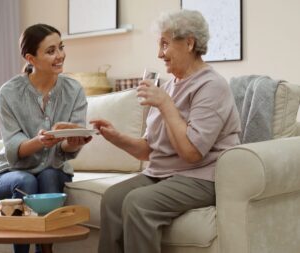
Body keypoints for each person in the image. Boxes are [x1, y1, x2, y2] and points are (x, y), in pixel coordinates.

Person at [91, 10, 241, 253]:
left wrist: (165, 104)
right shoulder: (170, 86)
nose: (159, 54)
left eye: (165, 44)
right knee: (112, 198)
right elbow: (148, 150)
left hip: (201, 177)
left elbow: (192, 153)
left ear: (189, 43)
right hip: (163, 173)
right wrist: (115, 137)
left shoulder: (212, 86)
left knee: (138, 203)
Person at [0, 23, 91, 253]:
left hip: (51, 169)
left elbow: (66, 149)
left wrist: (71, 142)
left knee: (50, 175)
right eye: (51, 51)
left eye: (61, 48)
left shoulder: (74, 90)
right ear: (30, 59)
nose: (60, 55)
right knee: (26, 181)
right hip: (7, 175)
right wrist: (40, 140)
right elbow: (14, 148)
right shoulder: (9, 92)